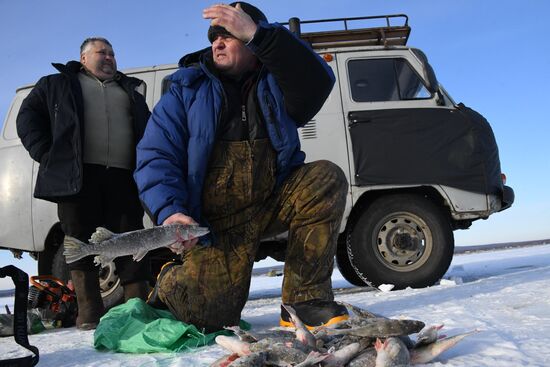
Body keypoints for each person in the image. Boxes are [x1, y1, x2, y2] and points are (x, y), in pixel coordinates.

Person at [135, 2, 349, 332]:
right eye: (214, 37)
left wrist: (260, 34)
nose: (217, 43)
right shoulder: (184, 93)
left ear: (252, 42)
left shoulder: (279, 84)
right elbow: (155, 157)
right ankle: (170, 282)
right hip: (215, 225)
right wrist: (171, 211)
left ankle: (305, 303)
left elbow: (319, 81)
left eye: (229, 34)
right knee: (211, 318)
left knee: (325, 178)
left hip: (270, 202)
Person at [16, 37, 152, 330]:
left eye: (113, 53)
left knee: (132, 236)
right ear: (83, 57)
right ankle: (89, 313)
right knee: (78, 240)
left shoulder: (129, 89)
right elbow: (27, 117)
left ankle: (136, 309)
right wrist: (46, 153)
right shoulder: (57, 84)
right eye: (102, 52)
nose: (109, 58)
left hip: (123, 176)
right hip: (77, 177)